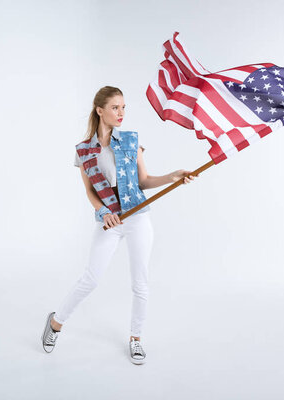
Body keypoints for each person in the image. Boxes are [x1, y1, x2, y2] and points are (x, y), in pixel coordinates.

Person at [41, 86, 197, 364]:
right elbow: (90, 191)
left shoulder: (130, 140)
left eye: (124, 107)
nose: (121, 113)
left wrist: (172, 176)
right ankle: (55, 323)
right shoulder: (84, 150)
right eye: (115, 107)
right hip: (110, 220)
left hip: (137, 215)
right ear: (100, 110)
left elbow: (144, 181)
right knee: (91, 278)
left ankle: (136, 338)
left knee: (141, 282)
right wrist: (103, 213)